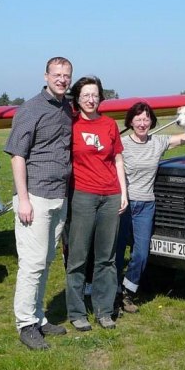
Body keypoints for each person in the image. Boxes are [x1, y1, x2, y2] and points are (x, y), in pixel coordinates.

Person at [4, 56, 74, 350]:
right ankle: (25, 324)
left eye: (66, 75)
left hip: (60, 195)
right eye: (56, 74)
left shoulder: (67, 108)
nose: (61, 79)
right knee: (31, 264)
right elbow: (17, 155)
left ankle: (39, 316)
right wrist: (23, 200)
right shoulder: (31, 109)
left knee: (45, 262)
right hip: (35, 197)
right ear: (45, 76)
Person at [65, 76, 127, 331]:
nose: (91, 99)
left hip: (111, 195)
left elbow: (118, 160)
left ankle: (104, 310)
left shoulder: (110, 125)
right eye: (85, 95)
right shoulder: (71, 124)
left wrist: (123, 193)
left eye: (95, 95)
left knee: (107, 257)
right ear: (77, 99)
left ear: (100, 97)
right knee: (78, 256)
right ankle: (77, 312)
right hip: (83, 196)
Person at [115, 102, 185, 313]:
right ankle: (113, 295)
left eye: (146, 119)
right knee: (118, 252)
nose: (142, 123)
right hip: (124, 204)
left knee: (141, 253)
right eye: (138, 119)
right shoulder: (122, 144)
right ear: (130, 122)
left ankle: (128, 291)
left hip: (146, 205)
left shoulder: (158, 142)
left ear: (151, 121)